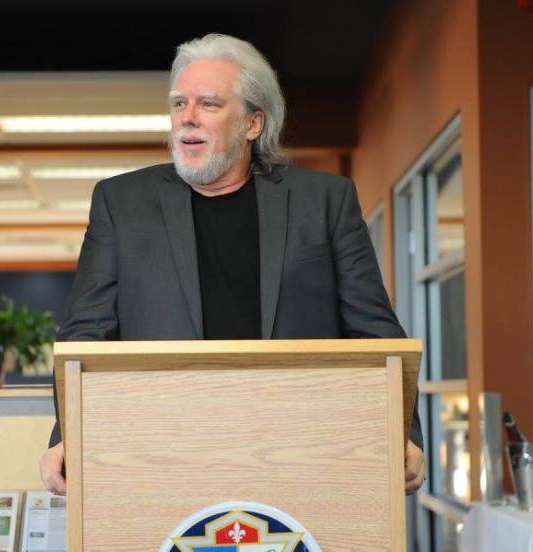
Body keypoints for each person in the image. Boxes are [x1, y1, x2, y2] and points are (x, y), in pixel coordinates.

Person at [38, 33, 425, 497]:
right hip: (162, 456)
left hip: (299, 456)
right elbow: (85, 334)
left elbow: (375, 332)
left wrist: (403, 432)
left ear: (253, 123)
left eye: (209, 104)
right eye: (179, 103)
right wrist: (67, 435)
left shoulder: (325, 202)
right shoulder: (120, 203)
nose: (187, 117)